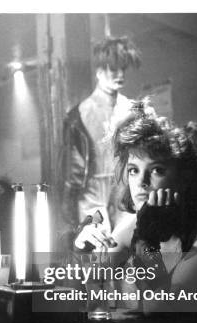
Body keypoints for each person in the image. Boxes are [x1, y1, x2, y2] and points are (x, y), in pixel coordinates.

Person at [73, 101, 197, 312]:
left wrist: (148, 242)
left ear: (184, 177)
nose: (141, 182)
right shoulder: (132, 225)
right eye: (133, 170)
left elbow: (161, 307)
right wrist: (84, 254)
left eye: (157, 170)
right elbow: (92, 301)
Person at [61, 36, 141, 235]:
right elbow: (73, 170)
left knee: (128, 246)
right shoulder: (77, 116)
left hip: (125, 187)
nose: (120, 74)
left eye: (123, 68)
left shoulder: (132, 110)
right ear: (99, 71)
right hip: (92, 191)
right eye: (113, 69)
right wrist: (68, 201)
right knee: (99, 251)